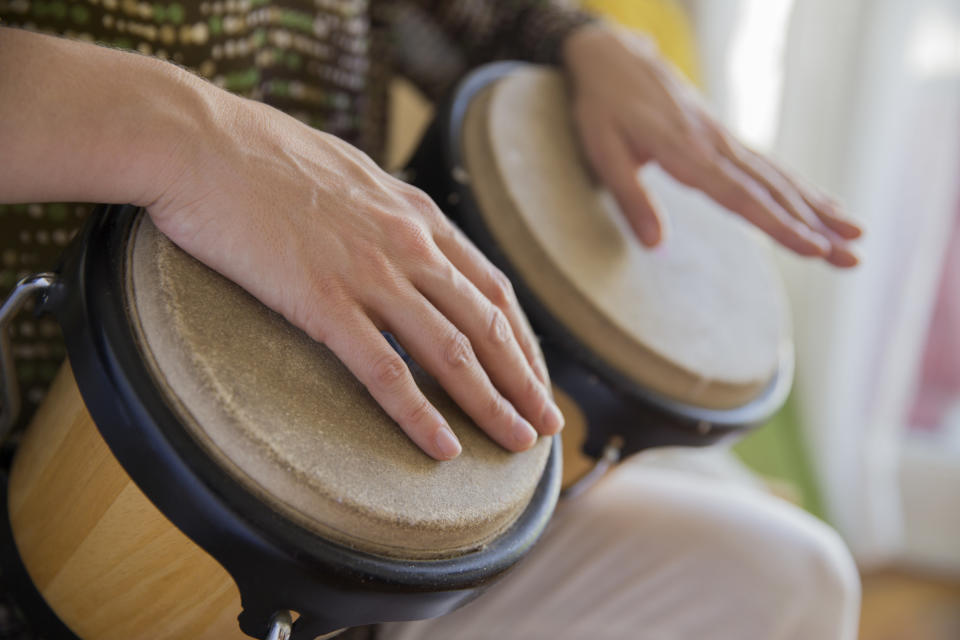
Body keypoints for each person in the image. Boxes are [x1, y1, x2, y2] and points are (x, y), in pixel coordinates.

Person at [0, 1, 862, 638]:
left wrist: (583, 43)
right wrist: (197, 139)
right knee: (774, 576)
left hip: (373, 432)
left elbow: (447, 18)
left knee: (784, 570)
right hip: (69, 497)